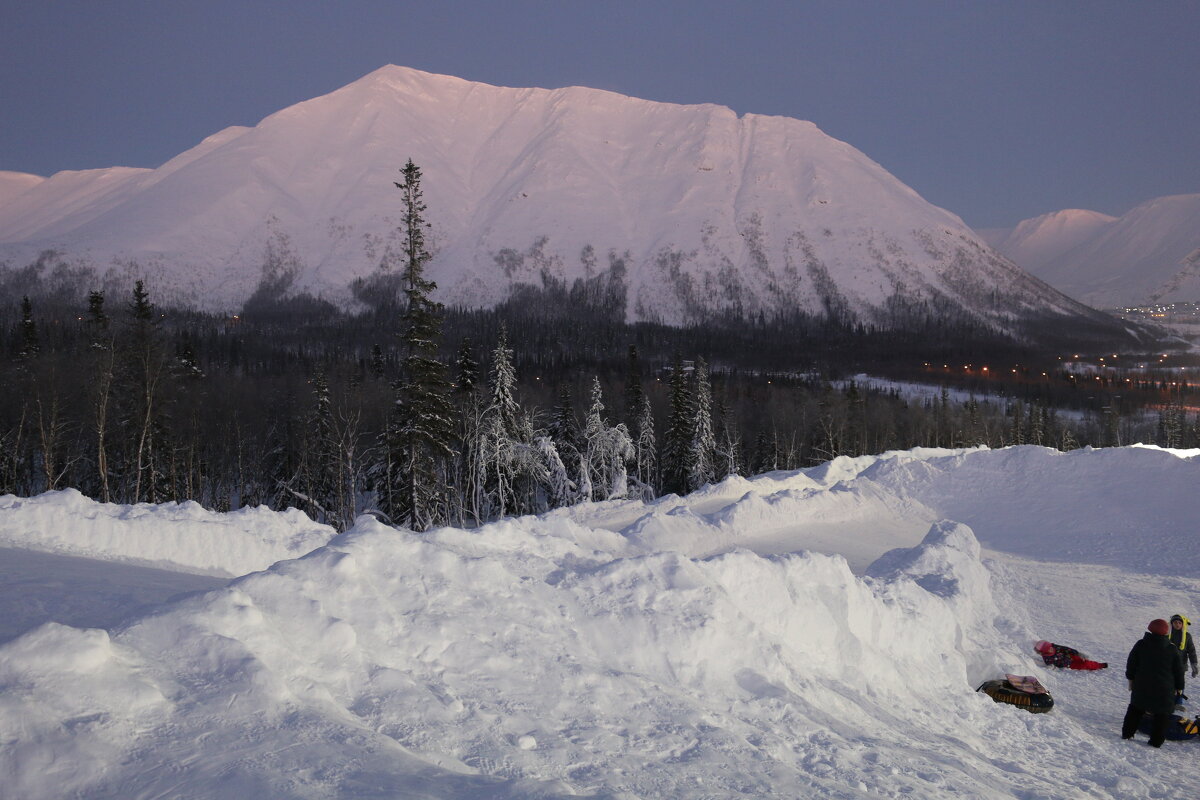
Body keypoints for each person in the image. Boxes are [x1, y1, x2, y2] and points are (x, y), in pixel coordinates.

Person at [1123, 619, 1186, 747]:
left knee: (1135, 709)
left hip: (1142, 686)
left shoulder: (1141, 644)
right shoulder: (1171, 649)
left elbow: (1132, 663)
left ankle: (1127, 734)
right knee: (1162, 715)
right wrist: (1179, 687)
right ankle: (1156, 741)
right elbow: (1178, 671)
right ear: (1166, 632)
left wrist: (1131, 678)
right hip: (1165, 689)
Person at [1034, 640, 1107, 670]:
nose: (1051, 648)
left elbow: (1066, 649)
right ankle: (1100, 666)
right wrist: (1053, 667)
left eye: (1050, 646)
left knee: (1084, 660)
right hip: (1069, 664)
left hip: (1069, 656)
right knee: (1084, 665)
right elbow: (1050, 664)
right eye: (1048, 649)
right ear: (1045, 652)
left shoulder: (1054, 647)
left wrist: (1078, 653)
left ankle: (1096, 664)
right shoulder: (1047, 657)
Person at [1169, 614, 1198, 682]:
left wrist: (1194, 664)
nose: (1177, 624)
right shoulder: (1167, 634)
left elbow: (1191, 651)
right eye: (1175, 622)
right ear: (1171, 623)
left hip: (1181, 666)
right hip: (1168, 666)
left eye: (1179, 623)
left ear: (1183, 624)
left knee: (1179, 685)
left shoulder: (1187, 636)